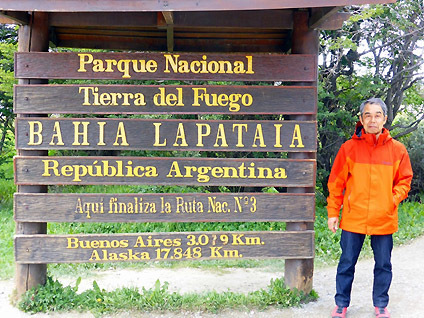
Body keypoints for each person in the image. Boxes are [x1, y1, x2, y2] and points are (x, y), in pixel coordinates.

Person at [326, 98, 413, 318]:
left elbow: (405, 181)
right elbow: (336, 182)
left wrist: (391, 200)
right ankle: (341, 304)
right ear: (361, 119)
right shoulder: (349, 148)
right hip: (353, 218)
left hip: (383, 218)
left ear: (385, 118)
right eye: (367, 115)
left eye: (377, 115)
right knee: (346, 263)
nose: (372, 119)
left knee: (383, 265)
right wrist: (332, 213)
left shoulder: (398, 150)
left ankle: (381, 305)